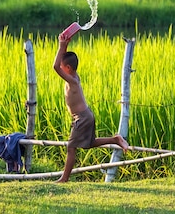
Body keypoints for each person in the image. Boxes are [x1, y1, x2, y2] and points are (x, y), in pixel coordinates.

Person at [53, 32, 129, 183]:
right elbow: (61, 63)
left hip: (82, 117)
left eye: (63, 67)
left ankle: (64, 178)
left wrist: (61, 46)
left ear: (67, 68)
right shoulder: (74, 76)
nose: (61, 69)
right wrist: (65, 44)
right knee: (89, 144)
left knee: (71, 147)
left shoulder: (72, 81)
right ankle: (115, 139)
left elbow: (55, 66)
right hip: (84, 116)